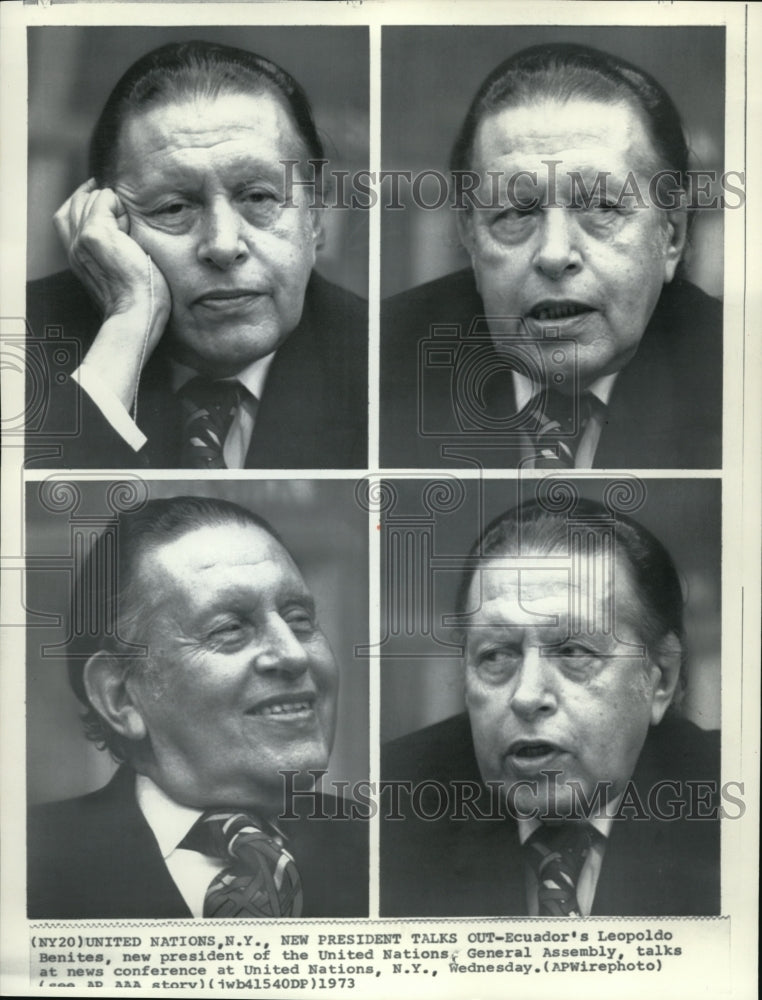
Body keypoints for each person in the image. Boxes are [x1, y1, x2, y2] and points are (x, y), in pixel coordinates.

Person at [26, 41, 367, 469]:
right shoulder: (21, 342)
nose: (223, 245)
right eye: (174, 208)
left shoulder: (385, 364)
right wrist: (130, 321)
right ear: (104, 224)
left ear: (315, 216)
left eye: (258, 196)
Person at [380, 43, 722, 469]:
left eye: (601, 207)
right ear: (469, 238)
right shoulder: (376, 365)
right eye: (516, 212)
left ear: (672, 234)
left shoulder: (738, 377)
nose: (554, 255)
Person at [28, 495, 368, 918]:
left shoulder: (389, 845)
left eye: (299, 619)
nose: (294, 654)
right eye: (229, 628)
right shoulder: (28, 863)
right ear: (120, 696)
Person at [380, 498, 720, 916]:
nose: (526, 695)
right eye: (497, 655)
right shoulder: (390, 810)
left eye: (574, 651)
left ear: (661, 678)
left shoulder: (731, 807)